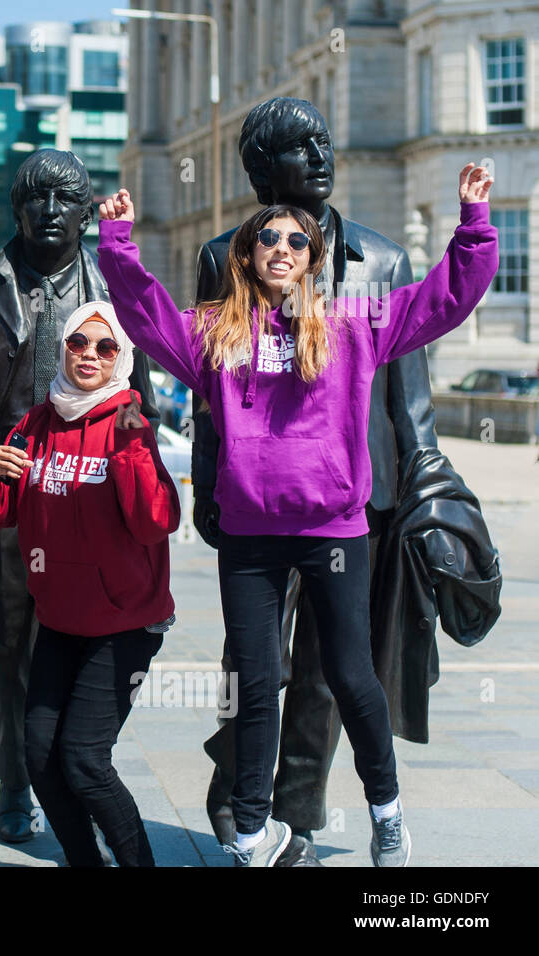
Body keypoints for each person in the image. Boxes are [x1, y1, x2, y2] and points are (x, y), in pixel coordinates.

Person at [96, 163, 497, 866]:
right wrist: (119, 242)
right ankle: (252, 831)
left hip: (335, 531)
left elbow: (444, 300)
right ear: (248, 256)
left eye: (296, 241)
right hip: (252, 536)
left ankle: (387, 808)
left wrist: (473, 225)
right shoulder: (217, 332)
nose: (281, 248)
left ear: (313, 259)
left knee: (350, 675)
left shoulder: (354, 323)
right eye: (266, 239)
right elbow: (146, 316)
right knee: (254, 682)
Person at [191, 97, 455, 867]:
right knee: (254, 662)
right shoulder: (224, 257)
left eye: (323, 142)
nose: (322, 154)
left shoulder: (381, 260)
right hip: (257, 496)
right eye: (300, 147)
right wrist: (209, 485)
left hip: (357, 498)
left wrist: (426, 493)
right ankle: (237, 796)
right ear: (261, 170)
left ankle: (297, 817)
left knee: (331, 674)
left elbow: (413, 397)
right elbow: (213, 391)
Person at [0, 149, 159, 843]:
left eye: (63, 199)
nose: (47, 211)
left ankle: (78, 773)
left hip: (92, 500)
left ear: (86, 211)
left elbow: (144, 403)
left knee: (87, 647)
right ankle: (18, 782)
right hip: (10, 499)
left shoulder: (115, 291)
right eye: (34, 198)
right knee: (9, 648)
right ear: (16, 208)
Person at [0, 301, 179, 866]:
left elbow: (155, 522)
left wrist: (132, 455)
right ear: (62, 349)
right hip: (59, 620)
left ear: (122, 358)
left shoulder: (130, 421)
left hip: (124, 623)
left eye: (105, 348)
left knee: (84, 760)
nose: (90, 355)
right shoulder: (36, 422)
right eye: (78, 344)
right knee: (39, 756)